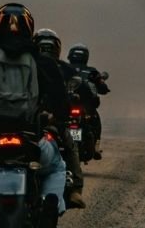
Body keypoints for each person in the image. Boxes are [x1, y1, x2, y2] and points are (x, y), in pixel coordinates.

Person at [0, 3, 68, 228]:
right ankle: (51, 203)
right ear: (29, 28)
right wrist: (51, 116)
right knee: (56, 167)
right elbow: (61, 106)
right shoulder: (43, 62)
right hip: (31, 141)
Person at [33, 28, 87, 210]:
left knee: (71, 142)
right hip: (48, 120)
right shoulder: (63, 68)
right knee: (71, 145)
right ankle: (75, 191)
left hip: (30, 119)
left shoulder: (26, 64)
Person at [66, 43, 109, 159]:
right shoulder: (92, 71)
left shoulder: (63, 68)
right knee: (96, 120)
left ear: (70, 56)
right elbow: (103, 89)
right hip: (86, 108)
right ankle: (96, 147)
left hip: (66, 106)